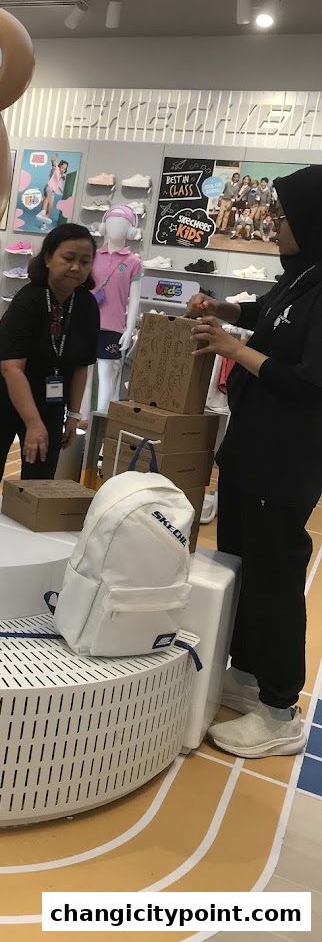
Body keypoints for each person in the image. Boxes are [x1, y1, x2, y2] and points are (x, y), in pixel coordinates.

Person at [187, 165, 322, 758]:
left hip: (285, 461)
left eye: (285, 215)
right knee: (239, 561)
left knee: (274, 577)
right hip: (250, 453)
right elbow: (268, 310)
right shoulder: (300, 278)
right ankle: (245, 673)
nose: (273, 222)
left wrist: (237, 351)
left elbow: (311, 384)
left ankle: (279, 707)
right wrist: (226, 310)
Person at [0, 223, 99, 491]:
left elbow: (81, 365)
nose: (76, 267)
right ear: (48, 258)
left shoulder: (86, 305)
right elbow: (11, 369)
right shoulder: (27, 302)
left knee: (39, 483)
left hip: (49, 401)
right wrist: (33, 424)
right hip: (2, 399)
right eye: (68, 258)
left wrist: (74, 414)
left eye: (85, 261)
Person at [37, 156, 69, 222]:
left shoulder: (61, 176)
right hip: (49, 187)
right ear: (59, 166)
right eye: (62, 167)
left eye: (65, 169)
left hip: (53, 191)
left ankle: (44, 223)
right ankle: (42, 212)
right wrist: (53, 161)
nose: (63, 169)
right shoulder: (55, 170)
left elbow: (61, 182)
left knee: (50, 206)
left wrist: (63, 177)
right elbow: (54, 165)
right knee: (48, 197)